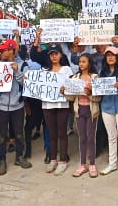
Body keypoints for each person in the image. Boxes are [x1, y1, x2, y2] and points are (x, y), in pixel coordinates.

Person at [0, 39, 32, 175]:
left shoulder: (23, 65)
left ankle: (19, 157)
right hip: (0, 106)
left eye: (3, 50)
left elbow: (26, 83)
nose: (1, 52)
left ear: (11, 51)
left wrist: (16, 72)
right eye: (0, 50)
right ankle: (2, 160)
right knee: (1, 136)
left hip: (17, 106)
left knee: (19, 133)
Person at [65, 53, 102, 178]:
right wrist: (64, 91)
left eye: (84, 62)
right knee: (82, 138)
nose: (81, 64)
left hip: (91, 111)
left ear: (89, 63)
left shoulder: (95, 77)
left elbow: (98, 98)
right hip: (79, 110)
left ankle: (92, 164)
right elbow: (71, 97)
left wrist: (90, 93)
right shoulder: (75, 77)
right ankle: (82, 165)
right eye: (80, 61)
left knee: (91, 137)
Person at [98, 46, 118, 184]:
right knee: (112, 138)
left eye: (113, 55)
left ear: (117, 57)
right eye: (108, 55)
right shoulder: (102, 73)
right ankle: (112, 164)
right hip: (106, 108)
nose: (110, 57)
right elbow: (98, 89)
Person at [41, 44, 73, 176]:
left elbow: (72, 86)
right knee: (51, 133)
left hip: (62, 105)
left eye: (56, 53)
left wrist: (66, 89)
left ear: (60, 55)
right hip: (47, 105)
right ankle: (53, 159)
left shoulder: (66, 70)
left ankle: (63, 161)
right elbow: (37, 84)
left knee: (62, 133)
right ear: (49, 56)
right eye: (51, 54)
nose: (54, 56)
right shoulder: (43, 70)